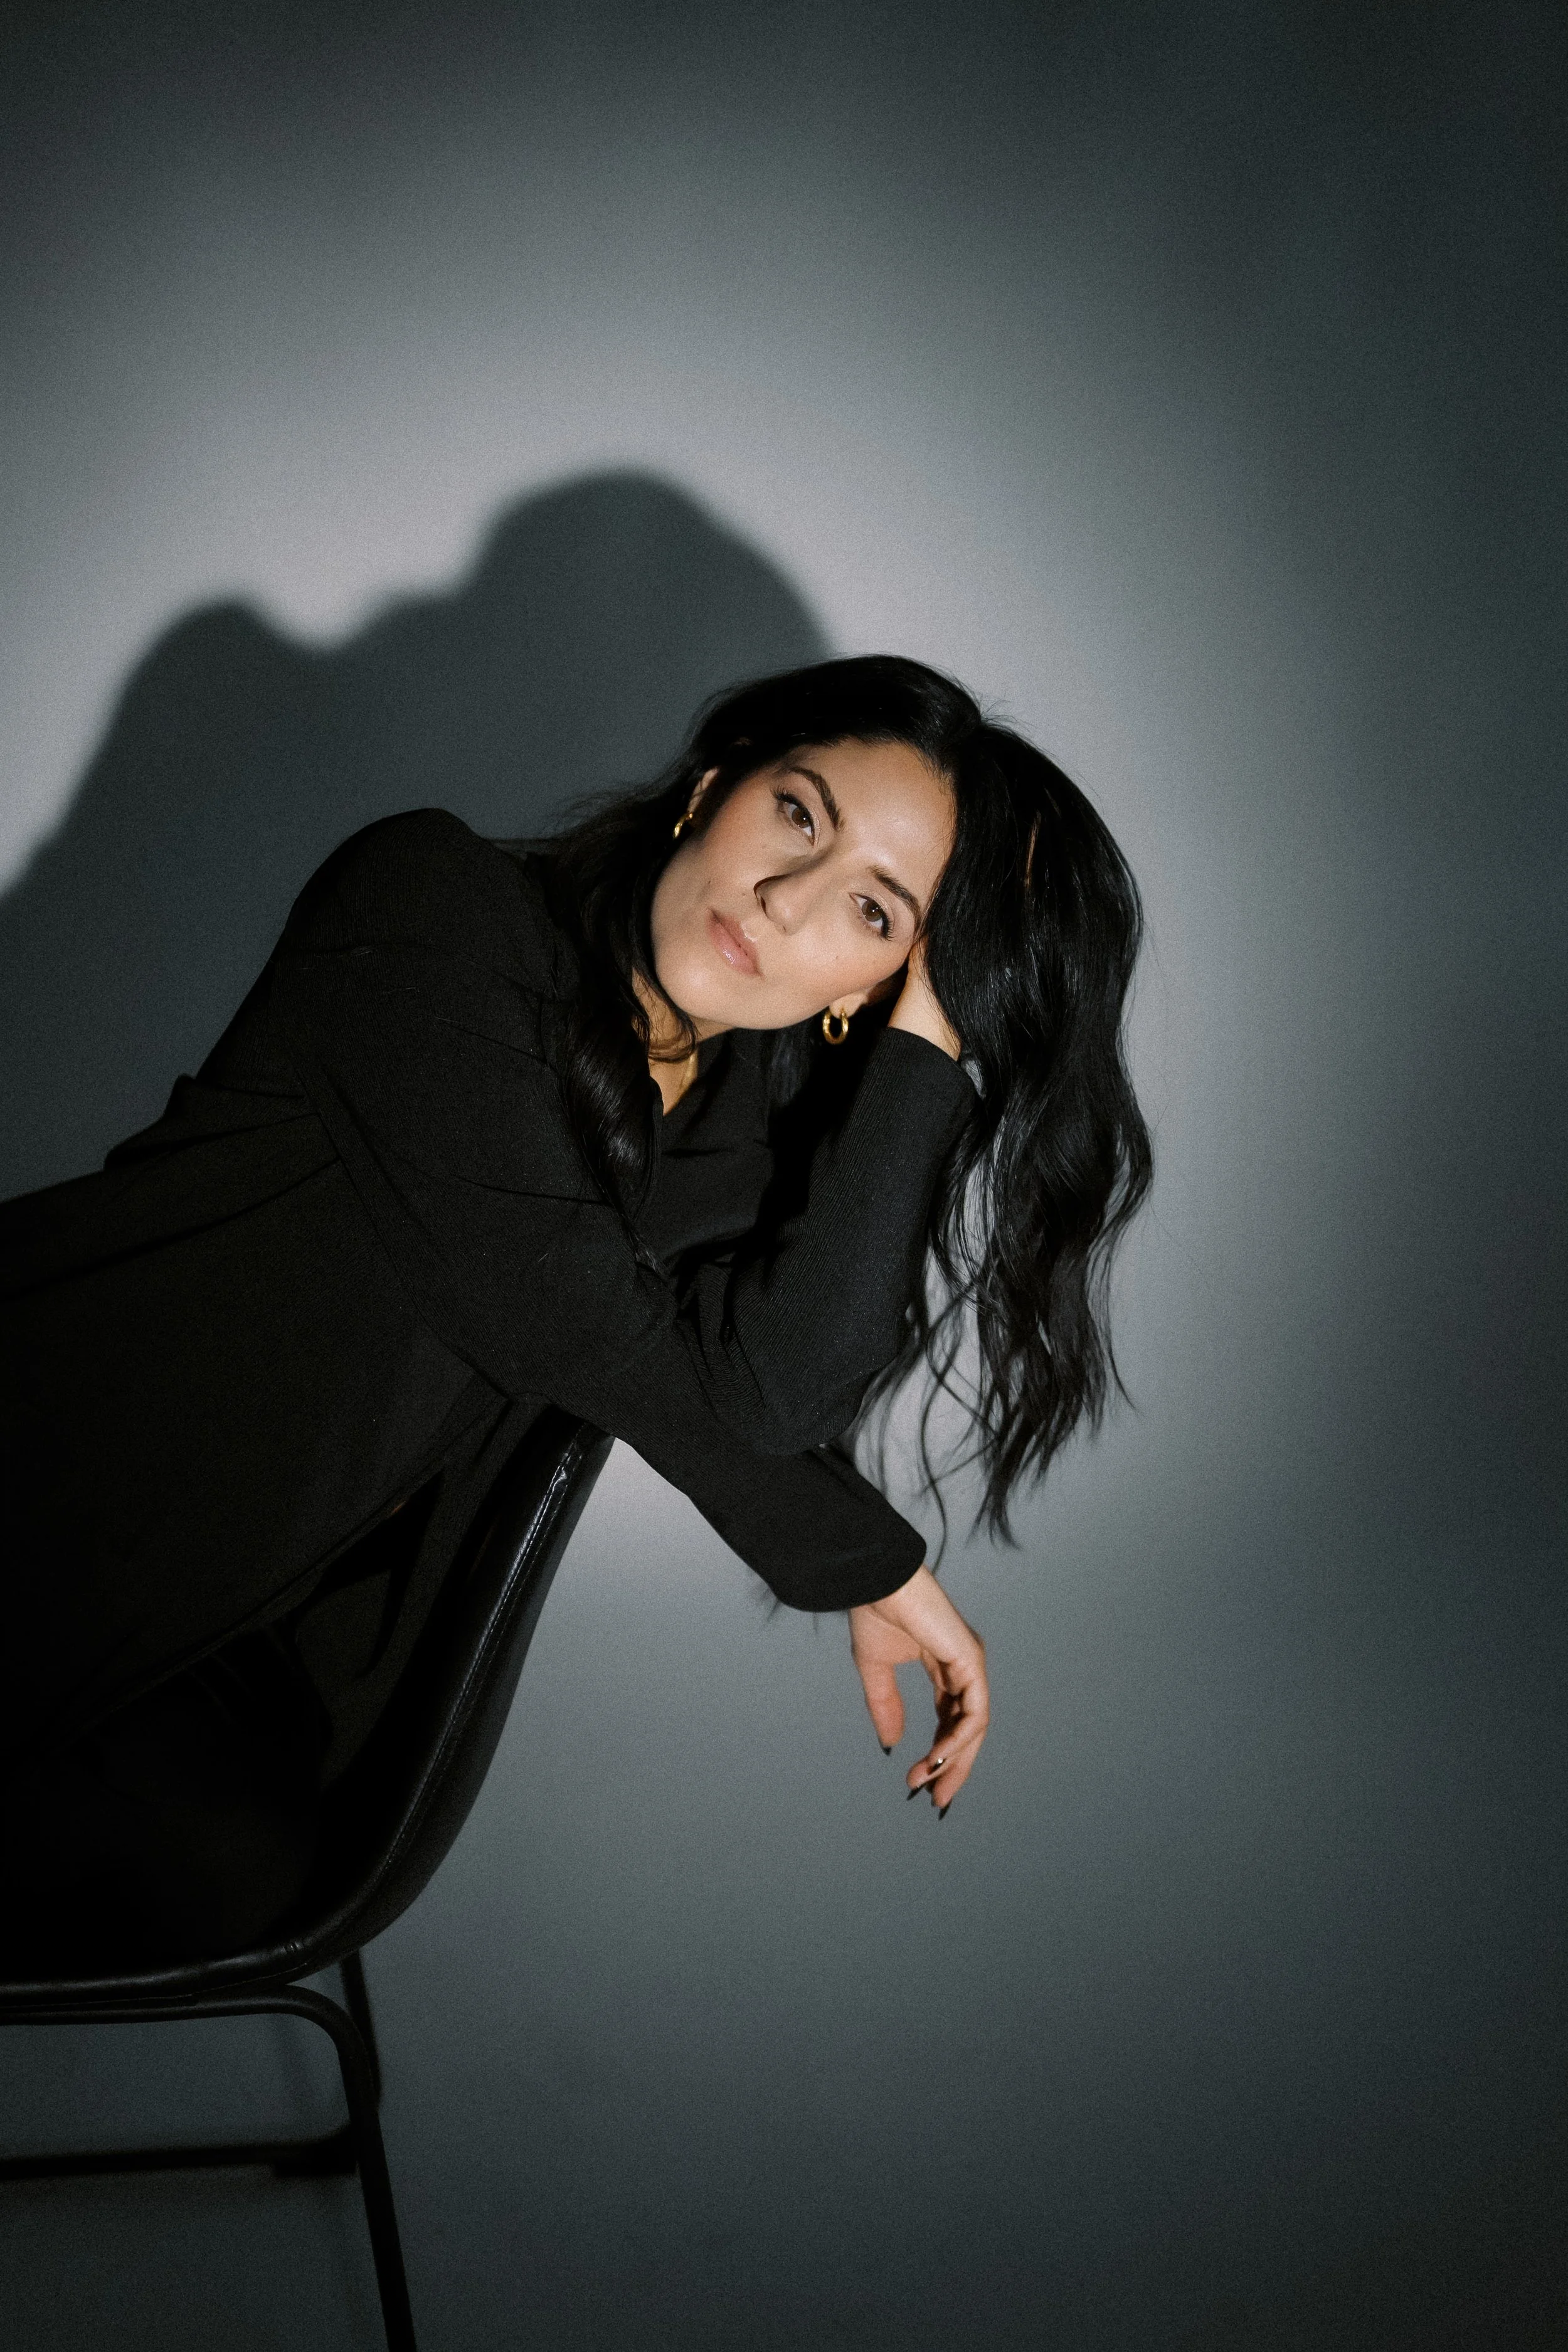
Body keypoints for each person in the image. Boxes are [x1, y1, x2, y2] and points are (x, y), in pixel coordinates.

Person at [0, 654, 1152, 1966]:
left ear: (869, 988)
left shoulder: (733, 1153)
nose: (784, 901)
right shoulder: (430, 912)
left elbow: (774, 1393)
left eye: (872, 913)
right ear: (712, 787)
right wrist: (864, 1559)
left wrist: (928, 1037)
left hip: (221, 1640)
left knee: (226, 1859)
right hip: (41, 1491)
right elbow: (571, 1315)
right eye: (796, 812)